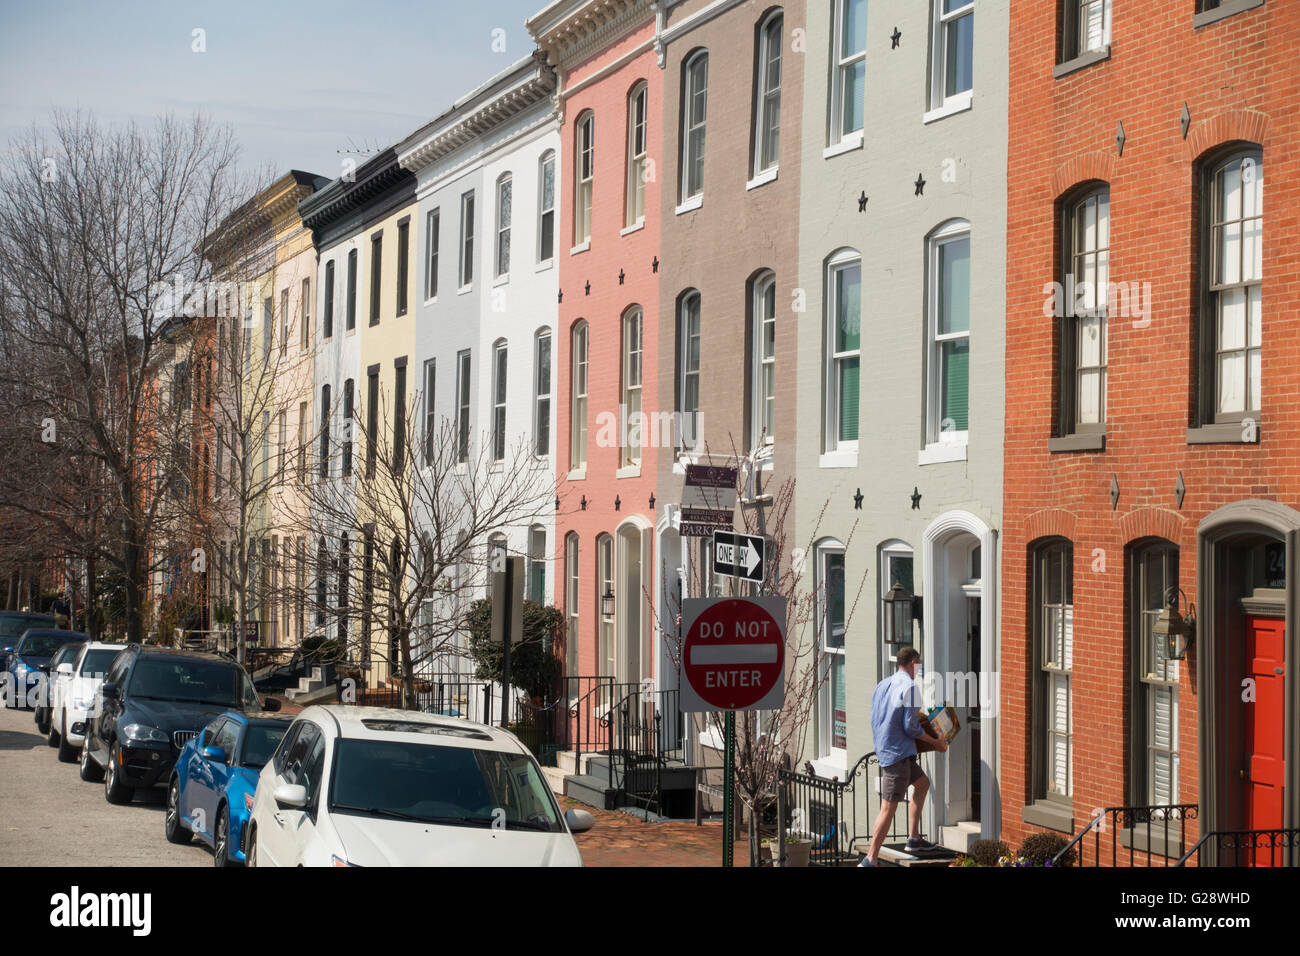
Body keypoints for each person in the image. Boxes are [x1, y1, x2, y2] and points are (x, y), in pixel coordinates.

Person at [858, 646, 946, 866]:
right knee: (888, 807)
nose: (919, 669)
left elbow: (876, 717)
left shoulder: (883, 684)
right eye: (919, 664)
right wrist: (936, 742)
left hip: (893, 750)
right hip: (898, 755)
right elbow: (911, 727)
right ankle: (871, 858)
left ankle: (913, 839)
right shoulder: (910, 687)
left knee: (923, 783)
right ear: (913, 662)